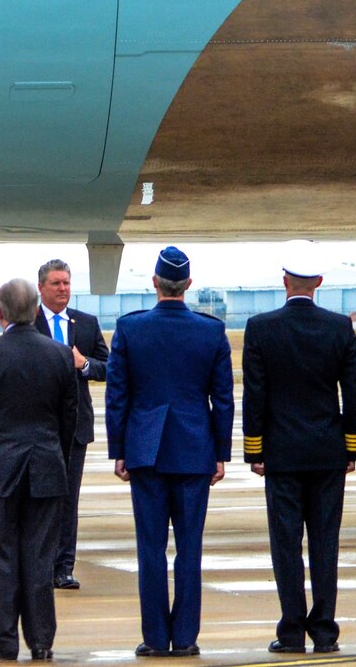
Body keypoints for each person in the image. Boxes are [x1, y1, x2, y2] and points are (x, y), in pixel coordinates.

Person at [105, 246, 234, 658]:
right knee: (190, 548)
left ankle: (156, 638)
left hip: (146, 449)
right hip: (196, 448)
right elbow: (224, 399)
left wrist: (118, 449)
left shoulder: (131, 329)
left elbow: (117, 396)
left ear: (156, 283)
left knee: (150, 548)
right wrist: (221, 453)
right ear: (188, 286)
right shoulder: (211, 331)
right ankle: (187, 637)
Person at [242, 252, 356, 654]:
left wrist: (254, 450)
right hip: (328, 451)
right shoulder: (339, 327)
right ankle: (325, 631)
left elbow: (255, 394)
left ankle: (292, 630)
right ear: (319, 282)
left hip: (282, 453)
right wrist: (352, 448)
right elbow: (353, 395)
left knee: (286, 545)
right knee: (325, 544)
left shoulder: (260, 328)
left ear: (284, 281)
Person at [0, 279, 80, 662]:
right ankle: (41, 641)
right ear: (34, 311)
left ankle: (3, 640)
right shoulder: (60, 355)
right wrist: (54, 457)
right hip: (45, 468)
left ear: (1, 313)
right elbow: (69, 417)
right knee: (41, 559)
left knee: (0, 559)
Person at [32, 258, 109, 589]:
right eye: (56, 284)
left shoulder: (86, 324)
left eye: (66, 283)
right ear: (41, 288)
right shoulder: (29, 323)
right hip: (39, 427)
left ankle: (63, 567)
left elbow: (111, 367)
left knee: (68, 498)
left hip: (76, 427)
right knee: (40, 499)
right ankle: (40, 563)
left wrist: (85, 364)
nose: (63, 289)